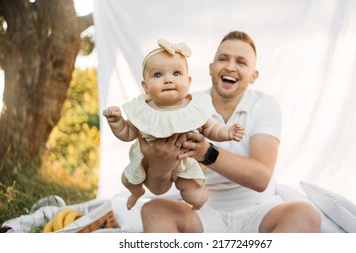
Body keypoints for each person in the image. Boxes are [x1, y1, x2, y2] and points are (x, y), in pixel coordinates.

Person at [139, 31, 322, 233]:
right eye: (223, 59)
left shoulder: (265, 105)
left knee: (306, 214)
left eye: (241, 62)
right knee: (153, 210)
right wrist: (159, 164)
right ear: (211, 68)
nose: (230, 67)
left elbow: (261, 178)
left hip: (260, 210)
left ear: (254, 76)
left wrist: (205, 152)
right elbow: (158, 188)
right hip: (204, 211)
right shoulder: (187, 106)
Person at [103, 39, 245, 210]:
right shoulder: (143, 110)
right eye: (158, 75)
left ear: (189, 81)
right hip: (148, 162)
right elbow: (127, 134)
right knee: (127, 179)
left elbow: (213, 128)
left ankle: (198, 207)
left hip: (184, 160)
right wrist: (116, 121)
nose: (168, 80)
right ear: (145, 86)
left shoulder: (194, 108)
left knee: (196, 196)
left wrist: (227, 132)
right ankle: (136, 192)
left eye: (176, 73)